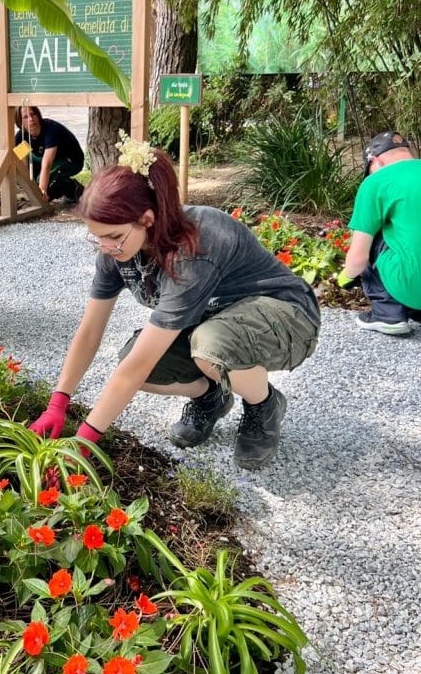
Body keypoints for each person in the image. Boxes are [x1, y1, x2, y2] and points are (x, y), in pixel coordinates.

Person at [29, 135, 321, 470]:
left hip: (285, 315)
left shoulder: (194, 247)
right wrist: (58, 401)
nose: (105, 246)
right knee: (143, 361)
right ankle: (210, 396)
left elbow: (134, 369)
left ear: (148, 220)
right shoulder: (117, 251)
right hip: (215, 321)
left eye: (112, 236)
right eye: (97, 236)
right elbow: (90, 331)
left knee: (210, 346)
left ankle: (263, 405)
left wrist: (85, 441)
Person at [338, 130, 421, 335]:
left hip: (412, 288)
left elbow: (358, 257)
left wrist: (346, 277)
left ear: (376, 161)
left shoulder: (376, 182)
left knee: (373, 235)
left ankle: (387, 314)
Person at [14, 105, 85, 202]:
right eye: (25, 117)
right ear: (20, 121)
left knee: (42, 185)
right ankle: (62, 187)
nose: (31, 119)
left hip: (71, 161)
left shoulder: (51, 130)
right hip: (47, 159)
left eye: (33, 114)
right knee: (32, 178)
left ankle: (71, 187)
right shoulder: (20, 137)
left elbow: (47, 165)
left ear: (38, 115)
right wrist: (29, 187)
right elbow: (24, 165)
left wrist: (41, 193)